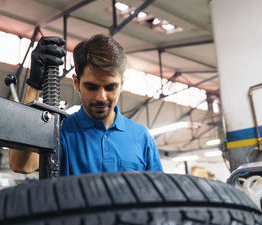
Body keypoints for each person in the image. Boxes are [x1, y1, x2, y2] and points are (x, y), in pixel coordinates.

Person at [9, 34, 163, 176]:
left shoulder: (141, 137)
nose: (101, 97)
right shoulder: (61, 131)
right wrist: (34, 85)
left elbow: (159, 194)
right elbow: (20, 164)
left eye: (110, 87)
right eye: (91, 87)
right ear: (76, 83)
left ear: (122, 83)